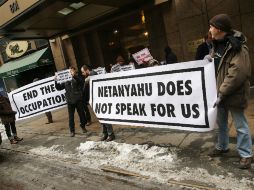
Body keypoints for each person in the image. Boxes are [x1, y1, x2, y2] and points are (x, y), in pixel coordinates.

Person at [207, 14, 253, 169]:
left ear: (219, 29)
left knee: (240, 125)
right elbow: (219, 65)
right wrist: (210, 58)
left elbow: (237, 72)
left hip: (233, 93)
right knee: (222, 123)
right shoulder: (217, 44)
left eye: (211, 26)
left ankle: (246, 154)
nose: (210, 29)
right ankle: (222, 146)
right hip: (219, 93)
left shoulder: (238, 47)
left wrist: (222, 92)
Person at [81, 65, 115, 141]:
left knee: (104, 116)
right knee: (101, 117)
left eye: (83, 72)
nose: (82, 74)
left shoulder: (93, 73)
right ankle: (105, 133)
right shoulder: (89, 76)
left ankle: (110, 134)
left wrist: (86, 80)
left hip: (99, 99)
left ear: (87, 70)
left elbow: (92, 79)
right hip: (95, 99)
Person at [55, 66, 87, 137]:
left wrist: (74, 76)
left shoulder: (77, 77)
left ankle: (83, 126)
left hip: (78, 99)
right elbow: (58, 88)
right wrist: (56, 81)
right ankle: (72, 131)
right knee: (71, 117)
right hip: (70, 101)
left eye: (71, 71)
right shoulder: (65, 81)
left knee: (82, 114)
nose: (70, 72)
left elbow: (81, 82)